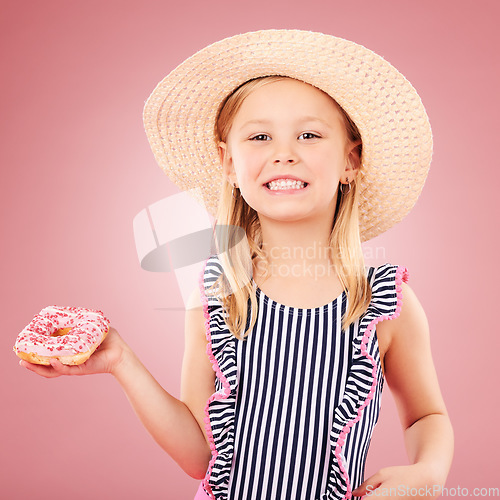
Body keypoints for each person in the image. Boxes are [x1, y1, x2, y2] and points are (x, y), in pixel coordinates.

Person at [19, 30, 454, 499]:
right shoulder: (215, 293)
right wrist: (122, 361)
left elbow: (427, 416)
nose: (283, 152)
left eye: (309, 134)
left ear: (351, 160)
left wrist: (427, 473)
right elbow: (199, 456)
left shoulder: (384, 302)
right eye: (260, 136)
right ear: (228, 162)